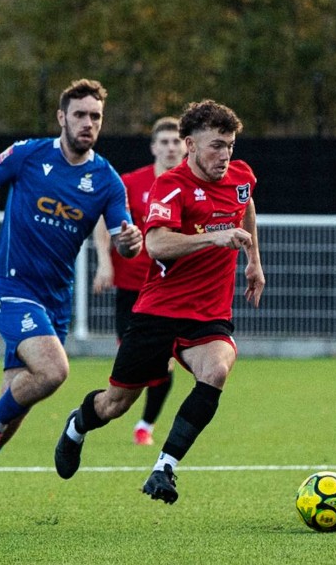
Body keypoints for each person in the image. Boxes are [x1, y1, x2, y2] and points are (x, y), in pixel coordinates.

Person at [0, 79, 143, 508]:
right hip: (11, 286)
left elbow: (123, 233)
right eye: (80, 115)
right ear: (61, 118)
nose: (88, 123)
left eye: (96, 117)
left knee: (15, 402)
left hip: (56, 300)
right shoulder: (29, 154)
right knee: (53, 372)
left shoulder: (106, 180)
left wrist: (131, 242)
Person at [54, 99, 264, 504]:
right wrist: (215, 237)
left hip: (209, 314)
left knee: (216, 371)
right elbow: (156, 243)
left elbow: (246, 203)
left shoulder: (241, 176)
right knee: (115, 404)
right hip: (158, 312)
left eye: (231, 145)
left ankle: (164, 467)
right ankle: (77, 425)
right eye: (216, 146)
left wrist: (253, 261)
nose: (226, 155)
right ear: (189, 144)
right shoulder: (171, 185)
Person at [91, 116, 184, 446]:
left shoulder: (193, 187)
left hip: (169, 289)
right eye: (165, 142)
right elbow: (105, 222)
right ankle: (109, 406)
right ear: (154, 147)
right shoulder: (132, 183)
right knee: (136, 363)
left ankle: (145, 424)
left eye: (177, 141)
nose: (171, 147)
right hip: (131, 288)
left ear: (186, 146)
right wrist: (104, 263)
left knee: (167, 361)